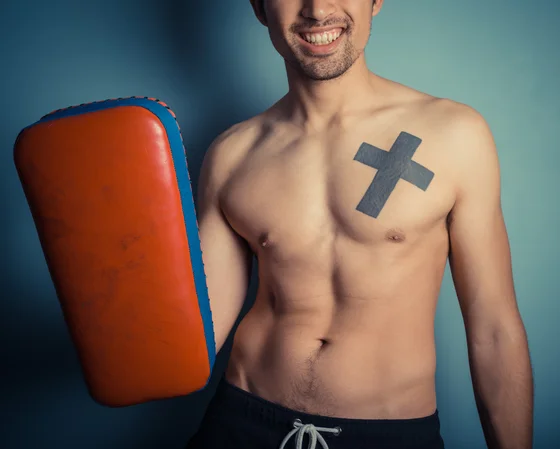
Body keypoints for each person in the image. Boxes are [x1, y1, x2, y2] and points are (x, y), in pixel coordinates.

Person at [187, 1, 534, 448]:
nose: (317, 9)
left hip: (387, 433)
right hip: (241, 422)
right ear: (259, 6)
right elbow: (197, 333)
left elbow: (494, 329)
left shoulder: (454, 135)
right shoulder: (232, 154)